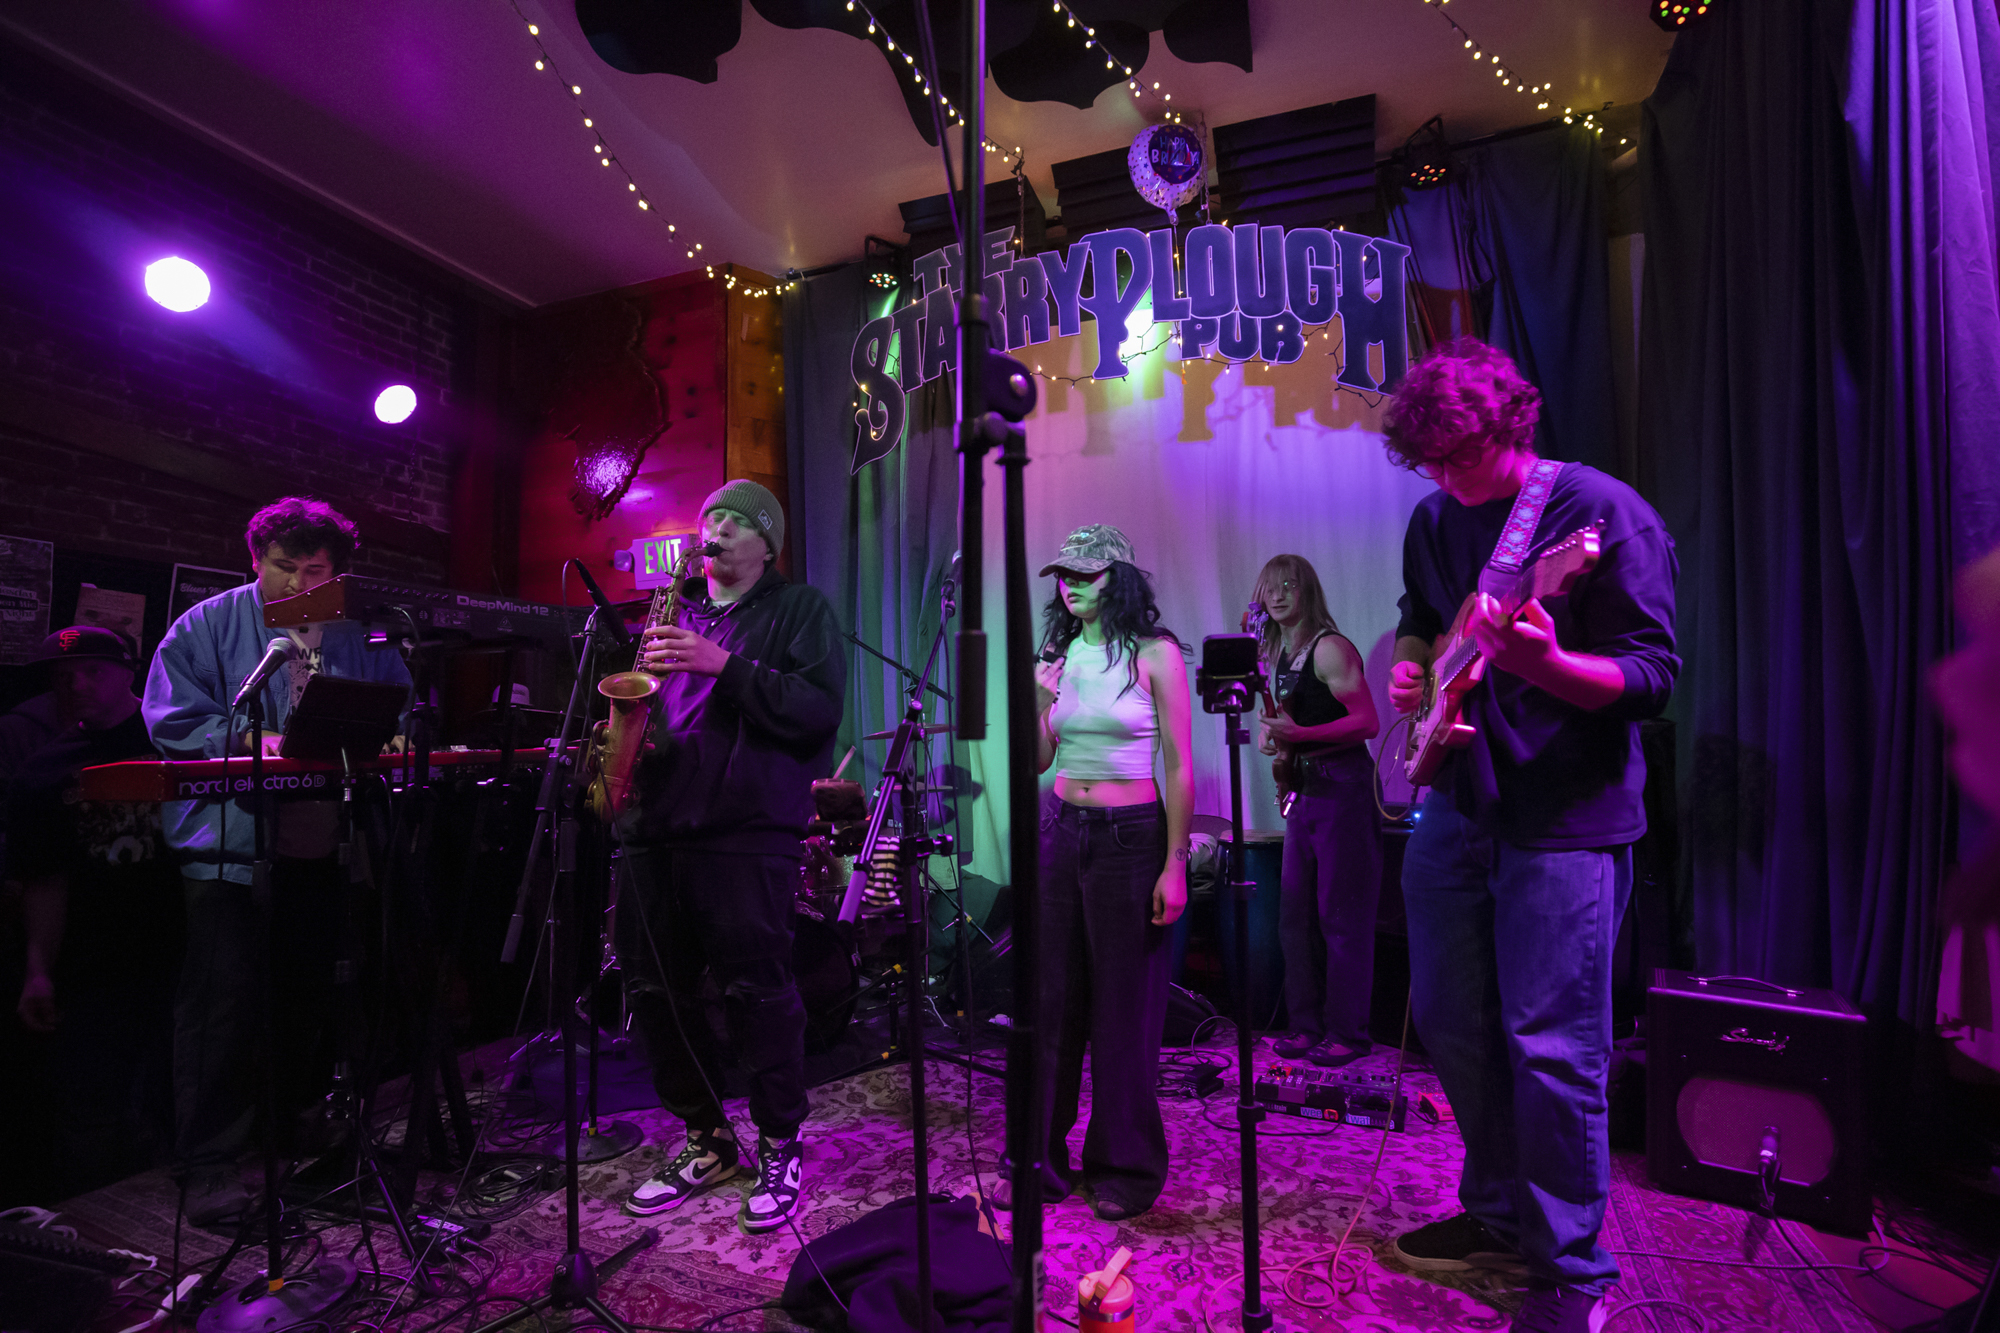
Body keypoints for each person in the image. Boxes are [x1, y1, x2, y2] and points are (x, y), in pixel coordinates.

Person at [1381, 340, 1679, 1333]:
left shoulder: (1597, 515)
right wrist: (1415, 668)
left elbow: (1650, 678)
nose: (1440, 478)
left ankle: (1572, 1273)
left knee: (1550, 1046)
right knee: (1455, 1025)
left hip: (1563, 820)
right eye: (1424, 460)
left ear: (1511, 427)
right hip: (1454, 801)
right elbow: (1421, 615)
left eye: (1455, 457)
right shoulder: (1432, 516)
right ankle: (1500, 1213)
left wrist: (1547, 665)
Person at [142, 497, 412, 1226]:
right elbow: (171, 716)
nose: (296, 582)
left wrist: (389, 735)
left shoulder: (359, 628)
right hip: (232, 848)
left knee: (304, 993)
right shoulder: (206, 623)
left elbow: (402, 704)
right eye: (282, 566)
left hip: (324, 838)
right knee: (220, 1007)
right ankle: (207, 1161)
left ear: (338, 571)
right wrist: (246, 738)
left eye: (314, 570)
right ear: (256, 560)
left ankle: (292, 1121)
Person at [617, 480, 845, 1234]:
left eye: (733, 521)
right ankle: (707, 1137)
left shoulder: (799, 609)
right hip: (656, 826)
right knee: (655, 992)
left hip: (745, 830)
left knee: (758, 991)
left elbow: (817, 709)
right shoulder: (673, 609)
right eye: (708, 516)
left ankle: (781, 1139)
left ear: (766, 542)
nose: (712, 529)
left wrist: (724, 665)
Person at [1023, 523, 1193, 1221]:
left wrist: (1175, 862)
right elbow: (1038, 759)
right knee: (1053, 1003)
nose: (1071, 585)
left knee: (1124, 1010)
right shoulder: (1056, 656)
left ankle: (1124, 1165)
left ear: (1118, 579)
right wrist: (1037, 699)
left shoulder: (1155, 653)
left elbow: (1180, 764)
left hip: (1130, 838)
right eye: (1065, 574)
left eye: (1086, 574)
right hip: (1061, 828)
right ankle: (1042, 1157)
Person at [8, 627, 181, 1198]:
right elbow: (45, 880)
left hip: (180, 954)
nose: (75, 684)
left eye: (92, 671)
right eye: (64, 676)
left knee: (177, 1105)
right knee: (92, 1116)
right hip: (94, 969)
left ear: (130, 673)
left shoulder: (175, 741)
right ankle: (103, 1245)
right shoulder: (45, 770)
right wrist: (38, 969)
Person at [1251, 556, 1382, 1068]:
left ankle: (1348, 1033)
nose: (1279, 595)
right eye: (1270, 588)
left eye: (1289, 586)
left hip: (1343, 788)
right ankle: (1306, 1026)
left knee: (1341, 917)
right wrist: (1274, 737)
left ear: (1307, 592)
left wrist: (1301, 738)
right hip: (1306, 792)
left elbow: (1368, 721)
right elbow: (1286, 720)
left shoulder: (1330, 647)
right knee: (1295, 917)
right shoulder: (1278, 651)